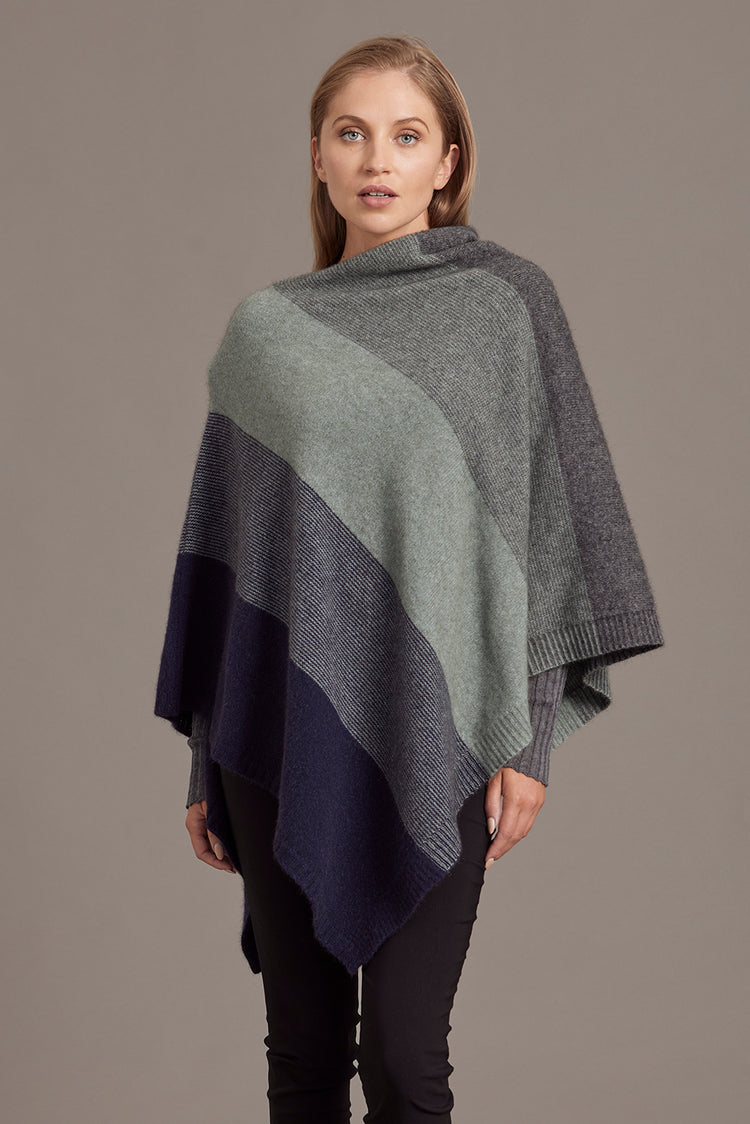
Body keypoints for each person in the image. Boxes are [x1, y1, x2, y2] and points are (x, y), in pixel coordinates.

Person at [154, 34, 664, 1123]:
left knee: (401, 1052)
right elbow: (232, 573)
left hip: (444, 724)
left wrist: (528, 739)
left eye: (406, 135)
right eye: (351, 134)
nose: (377, 159)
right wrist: (206, 756)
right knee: (301, 1052)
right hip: (279, 729)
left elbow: (548, 533)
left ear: (448, 161)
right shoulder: (266, 333)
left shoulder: (507, 308)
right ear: (318, 157)